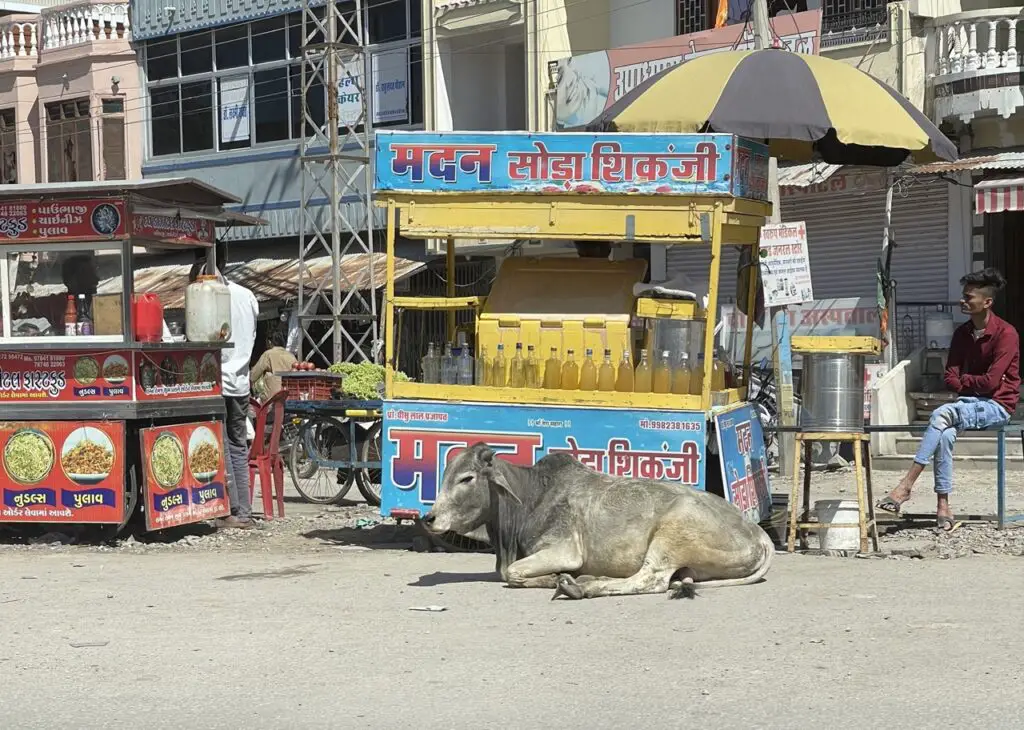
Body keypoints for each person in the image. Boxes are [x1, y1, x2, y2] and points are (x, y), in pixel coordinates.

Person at [877, 268, 1020, 531]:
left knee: (940, 415)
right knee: (943, 435)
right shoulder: (961, 334)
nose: (962, 301)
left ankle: (906, 485)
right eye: (963, 296)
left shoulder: (1006, 334)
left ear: (987, 302)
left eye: (969, 297)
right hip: (966, 403)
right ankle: (943, 506)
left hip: (998, 405)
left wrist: (966, 382)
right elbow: (950, 377)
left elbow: (990, 383)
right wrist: (970, 383)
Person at [190, 250, 259, 529]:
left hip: (218, 381)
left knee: (224, 449)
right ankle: (244, 511)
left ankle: (230, 510)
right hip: (241, 382)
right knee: (237, 447)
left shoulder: (209, 296)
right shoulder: (248, 296)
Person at [250, 327, 297, 400]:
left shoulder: (268, 354)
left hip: (272, 398)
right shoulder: (291, 356)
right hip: (290, 396)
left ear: (269, 342)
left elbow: (253, 376)